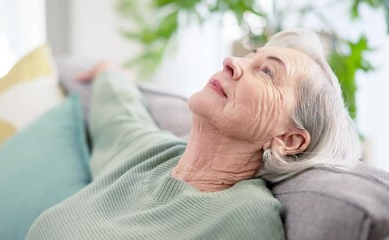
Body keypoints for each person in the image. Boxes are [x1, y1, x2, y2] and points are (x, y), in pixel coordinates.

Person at [25, 28, 361, 239]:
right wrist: (112, 74)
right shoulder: (148, 151)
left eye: (268, 72)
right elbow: (118, 112)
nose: (232, 62)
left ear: (288, 140)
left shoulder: (243, 219)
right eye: (249, 56)